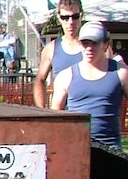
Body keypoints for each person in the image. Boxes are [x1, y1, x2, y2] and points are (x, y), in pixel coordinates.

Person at [50, 21, 128, 149]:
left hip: (111, 150)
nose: (89, 48)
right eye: (85, 43)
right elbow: (54, 119)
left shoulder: (121, 72)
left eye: (94, 43)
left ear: (105, 45)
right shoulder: (65, 76)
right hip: (76, 149)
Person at [33, 0, 84, 107]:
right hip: (62, 116)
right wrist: (42, 111)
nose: (70, 22)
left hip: (91, 117)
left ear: (82, 16)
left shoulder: (97, 47)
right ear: (59, 18)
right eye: (65, 17)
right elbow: (40, 79)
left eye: (75, 16)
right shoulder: (51, 48)